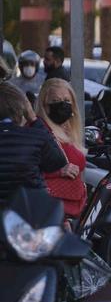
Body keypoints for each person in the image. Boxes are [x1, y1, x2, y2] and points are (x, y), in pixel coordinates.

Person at [0, 81, 66, 207]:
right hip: (30, 211)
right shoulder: (36, 137)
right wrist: (34, 119)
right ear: (21, 108)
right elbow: (58, 162)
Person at [37, 78, 86, 220]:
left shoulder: (69, 130)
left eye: (66, 100)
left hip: (68, 209)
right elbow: (26, 171)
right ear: (44, 105)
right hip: (49, 210)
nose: (62, 105)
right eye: (55, 101)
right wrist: (59, 172)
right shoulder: (39, 131)